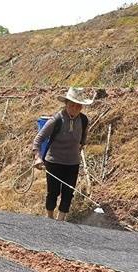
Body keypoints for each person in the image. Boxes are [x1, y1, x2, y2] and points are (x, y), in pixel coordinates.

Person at [32, 87, 93, 221]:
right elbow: (38, 139)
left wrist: (79, 148)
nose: (75, 108)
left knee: (68, 192)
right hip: (54, 161)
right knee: (53, 192)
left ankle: (60, 221)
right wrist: (37, 157)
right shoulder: (56, 120)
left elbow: (83, 139)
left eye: (78, 106)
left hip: (72, 163)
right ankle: (49, 218)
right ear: (66, 104)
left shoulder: (83, 120)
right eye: (72, 105)